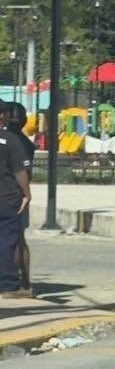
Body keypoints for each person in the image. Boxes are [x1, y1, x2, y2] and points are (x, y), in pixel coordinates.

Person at [0, 100, 31, 298]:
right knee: (8, 241)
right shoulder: (10, 140)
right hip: (7, 197)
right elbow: (20, 170)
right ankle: (9, 284)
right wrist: (27, 193)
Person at [7, 102, 35, 296]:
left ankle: (21, 282)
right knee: (19, 241)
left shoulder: (10, 140)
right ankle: (24, 282)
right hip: (19, 195)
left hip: (13, 195)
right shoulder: (25, 142)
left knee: (14, 242)